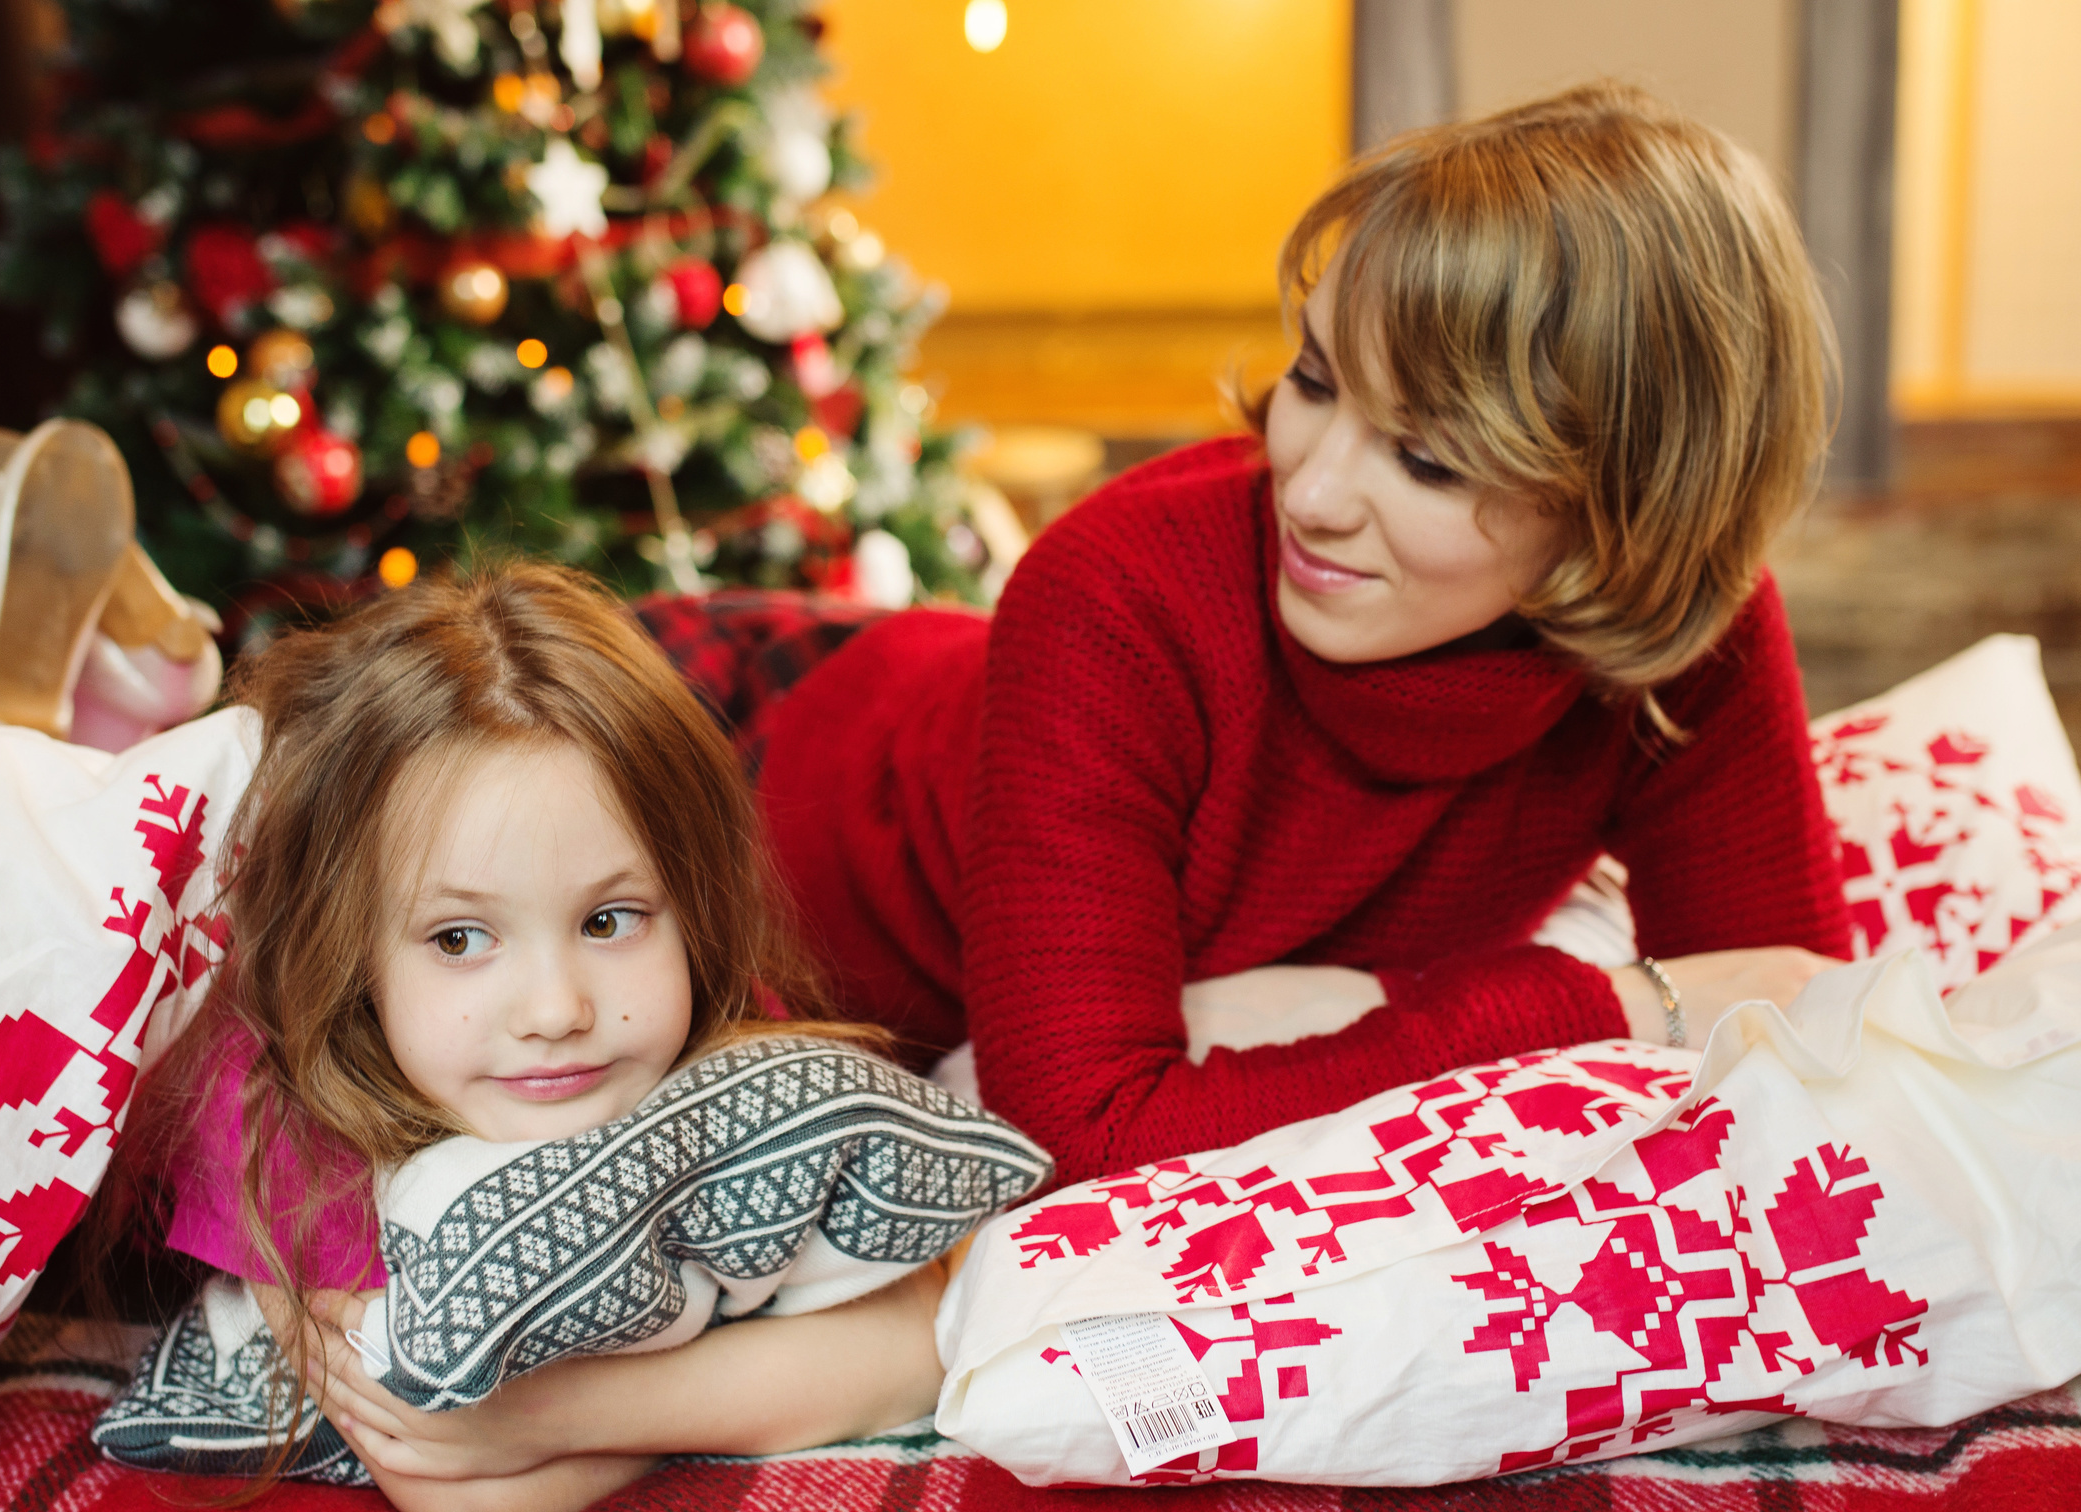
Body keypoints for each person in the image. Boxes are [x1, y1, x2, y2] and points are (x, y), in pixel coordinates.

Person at [735, 81, 1851, 1186]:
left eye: (1425, 457)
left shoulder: (1688, 627)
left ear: (1625, 516)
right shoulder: (1115, 596)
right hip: (770, 822)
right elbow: (1083, 1136)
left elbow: (1790, 1026)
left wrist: (1350, 1013)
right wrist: (1596, 1003)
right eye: (1311, 380)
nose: (1308, 491)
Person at [118, 564, 980, 1512]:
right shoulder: (274, 1100)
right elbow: (466, 1490)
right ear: (352, 949)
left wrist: (550, 1417)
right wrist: (753, 1391)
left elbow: (918, 1340)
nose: (556, 1009)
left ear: (690, 908)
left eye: (610, 919)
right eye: (458, 939)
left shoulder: (724, 1043)